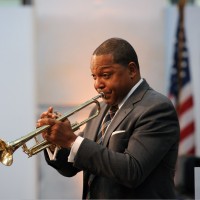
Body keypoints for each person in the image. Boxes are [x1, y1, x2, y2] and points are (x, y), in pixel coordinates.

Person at [37, 37, 180, 199]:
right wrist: (55, 143)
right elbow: (73, 166)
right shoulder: (100, 110)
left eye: (105, 75)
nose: (98, 84)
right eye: (94, 77)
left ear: (132, 70)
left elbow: (132, 171)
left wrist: (71, 140)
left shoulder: (156, 108)